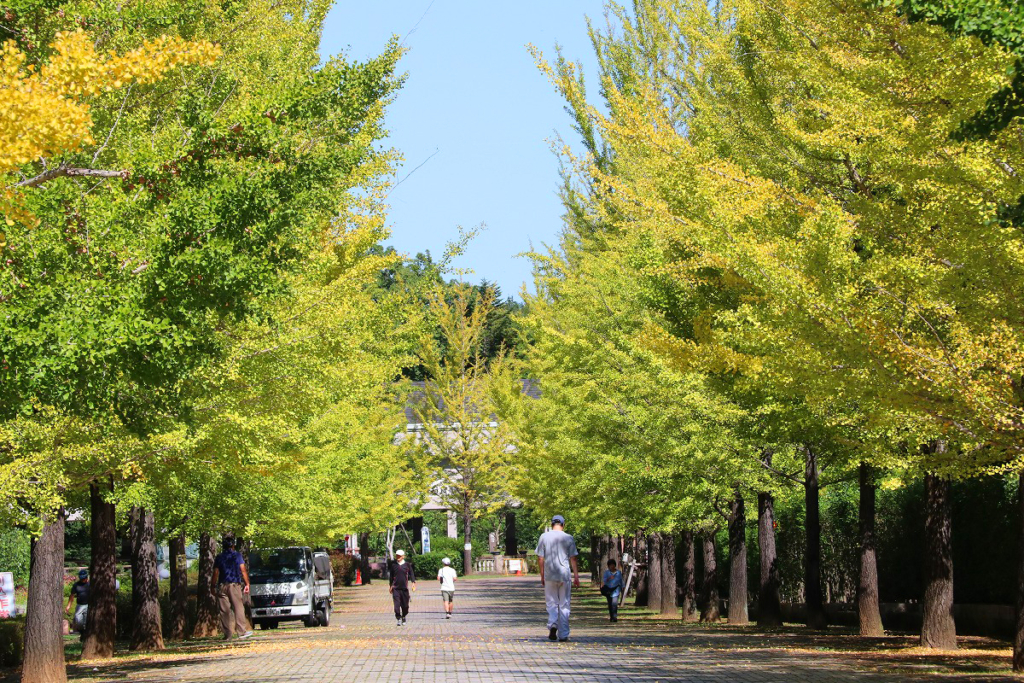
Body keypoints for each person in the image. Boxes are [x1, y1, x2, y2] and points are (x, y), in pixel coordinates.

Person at [535, 514, 580, 642]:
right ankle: (563, 634)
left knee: (551, 603)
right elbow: (573, 558)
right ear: (563, 524)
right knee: (564, 604)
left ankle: (553, 623)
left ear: (551, 524)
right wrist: (576, 576)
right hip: (564, 574)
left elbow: (540, 557)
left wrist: (542, 575)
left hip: (550, 574)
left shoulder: (544, 537)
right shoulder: (568, 538)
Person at [211, 536, 253, 640]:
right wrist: (247, 584)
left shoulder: (219, 557)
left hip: (222, 585)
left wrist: (212, 585)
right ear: (233, 545)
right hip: (234, 585)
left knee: (224, 610)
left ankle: (227, 634)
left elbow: (216, 572)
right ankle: (241, 632)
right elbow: (243, 570)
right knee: (238, 607)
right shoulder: (237, 555)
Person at [389, 549, 416, 626]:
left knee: (405, 606)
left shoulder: (407, 565)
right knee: (396, 606)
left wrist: (413, 582)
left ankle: (404, 616)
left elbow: (411, 574)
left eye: (400, 556)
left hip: (404, 589)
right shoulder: (393, 565)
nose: (398, 557)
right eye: (397, 555)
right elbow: (391, 577)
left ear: (403, 556)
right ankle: (398, 618)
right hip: (396, 588)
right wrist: (390, 586)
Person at [65, 569, 90, 639]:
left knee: (85, 622)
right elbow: (72, 596)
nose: (83, 580)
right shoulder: (76, 585)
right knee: (78, 619)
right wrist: (68, 606)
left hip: (88, 605)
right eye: (81, 579)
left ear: (86, 577)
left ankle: (84, 636)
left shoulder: (90, 584)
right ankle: (82, 632)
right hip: (79, 605)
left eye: (84, 578)